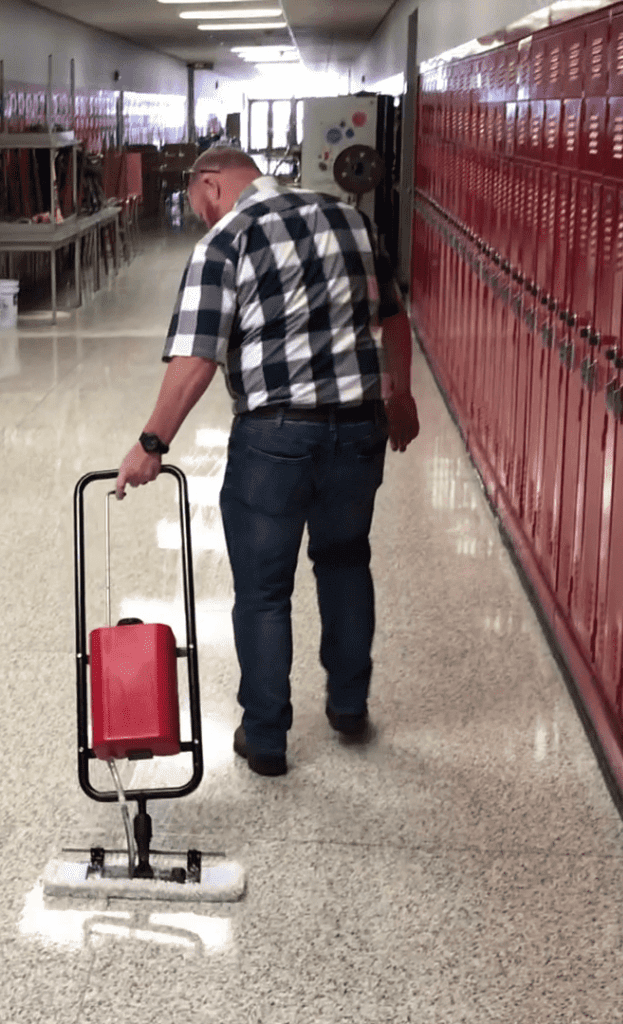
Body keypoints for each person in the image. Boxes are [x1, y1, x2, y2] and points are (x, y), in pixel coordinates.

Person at [115, 146, 419, 777]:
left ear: (210, 185)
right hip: (359, 428)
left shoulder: (226, 241)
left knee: (262, 592)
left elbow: (196, 359)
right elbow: (394, 317)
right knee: (345, 561)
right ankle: (348, 705)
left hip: (275, 438)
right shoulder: (349, 219)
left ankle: (266, 737)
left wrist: (151, 444)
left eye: (198, 202)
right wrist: (403, 395)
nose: (199, 214)